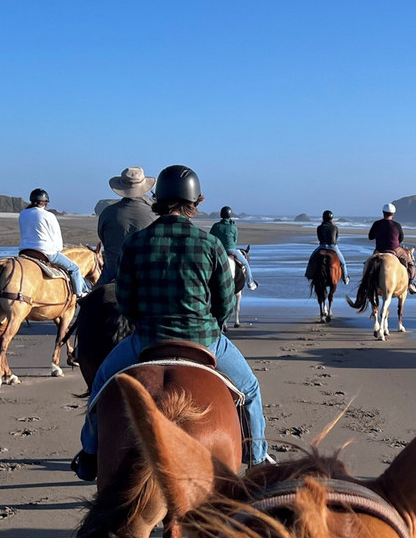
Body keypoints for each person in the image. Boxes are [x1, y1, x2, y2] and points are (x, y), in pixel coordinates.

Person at [72, 165, 272, 481]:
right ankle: (258, 460)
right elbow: (224, 302)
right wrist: (212, 328)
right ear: (196, 201)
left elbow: (124, 300)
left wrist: (143, 324)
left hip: (147, 340)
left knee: (99, 386)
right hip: (204, 340)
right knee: (250, 388)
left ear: (158, 199)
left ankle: (90, 455)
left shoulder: (136, 244)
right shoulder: (211, 245)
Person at [18, 188, 91, 296]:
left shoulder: (23, 214)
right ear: (45, 202)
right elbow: (56, 239)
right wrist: (59, 249)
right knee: (74, 268)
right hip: (45, 252)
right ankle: (79, 294)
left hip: (25, 251)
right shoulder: (48, 215)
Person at [96, 167, 156, 286]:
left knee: (89, 300)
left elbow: (103, 238)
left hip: (113, 272)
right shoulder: (156, 214)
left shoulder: (108, 212)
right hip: (146, 273)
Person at [368, 203, 416, 294]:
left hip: (379, 250)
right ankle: (411, 282)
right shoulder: (397, 225)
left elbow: (370, 237)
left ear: (383, 213)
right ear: (393, 214)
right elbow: (401, 239)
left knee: (369, 264)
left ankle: (367, 283)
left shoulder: (377, 223)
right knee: (410, 262)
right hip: (395, 249)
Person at [210, 207, 257, 290]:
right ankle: (250, 283)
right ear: (230, 215)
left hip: (218, 250)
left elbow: (211, 238)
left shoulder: (216, 226)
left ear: (221, 215)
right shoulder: (233, 227)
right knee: (246, 264)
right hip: (230, 250)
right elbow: (235, 240)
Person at [310, 210, 349, 284]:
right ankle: (345, 278)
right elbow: (336, 238)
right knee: (343, 263)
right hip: (333, 247)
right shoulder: (335, 227)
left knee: (311, 259)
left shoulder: (319, 227)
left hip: (322, 246)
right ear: (331, 219)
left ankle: (309, 274)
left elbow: (319, 238)